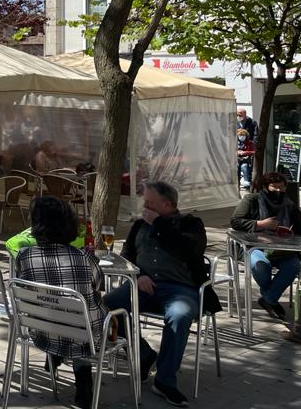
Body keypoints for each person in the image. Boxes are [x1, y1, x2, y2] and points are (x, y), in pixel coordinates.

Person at [103, 181, 219, 408]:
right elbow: (126, 255)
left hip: (180, 288)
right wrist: (138, 276)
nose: (144, 206)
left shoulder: (191, 224)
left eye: (150, 202)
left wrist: (158, 223)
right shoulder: (139, 224)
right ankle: (144, 354)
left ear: (168, 204)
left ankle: (165, 380)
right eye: (145, 201)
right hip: (143, 284)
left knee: (179, 315)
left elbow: (189, 249)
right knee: (106, 305)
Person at [15, 196, 104, 409]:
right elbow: (98, 284)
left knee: (56, 308)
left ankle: (54, 356)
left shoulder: (24, 256)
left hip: (42, 331)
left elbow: (26, 289)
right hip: (85, 337)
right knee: (89, 315)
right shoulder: (84, 258)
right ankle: (83, 379)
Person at [230, 171, 301, 319]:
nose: (278, 190)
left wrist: (290, 232)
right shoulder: (251, 200)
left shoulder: (289, 205)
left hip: (282, 249)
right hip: (253, 247)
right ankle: (271, 298)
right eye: (274, 187)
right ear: (265, 187)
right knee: (261, 265)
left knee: (294, 265)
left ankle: (268, 299)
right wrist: (260, 224)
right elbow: (235, 222)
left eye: (281, 187)